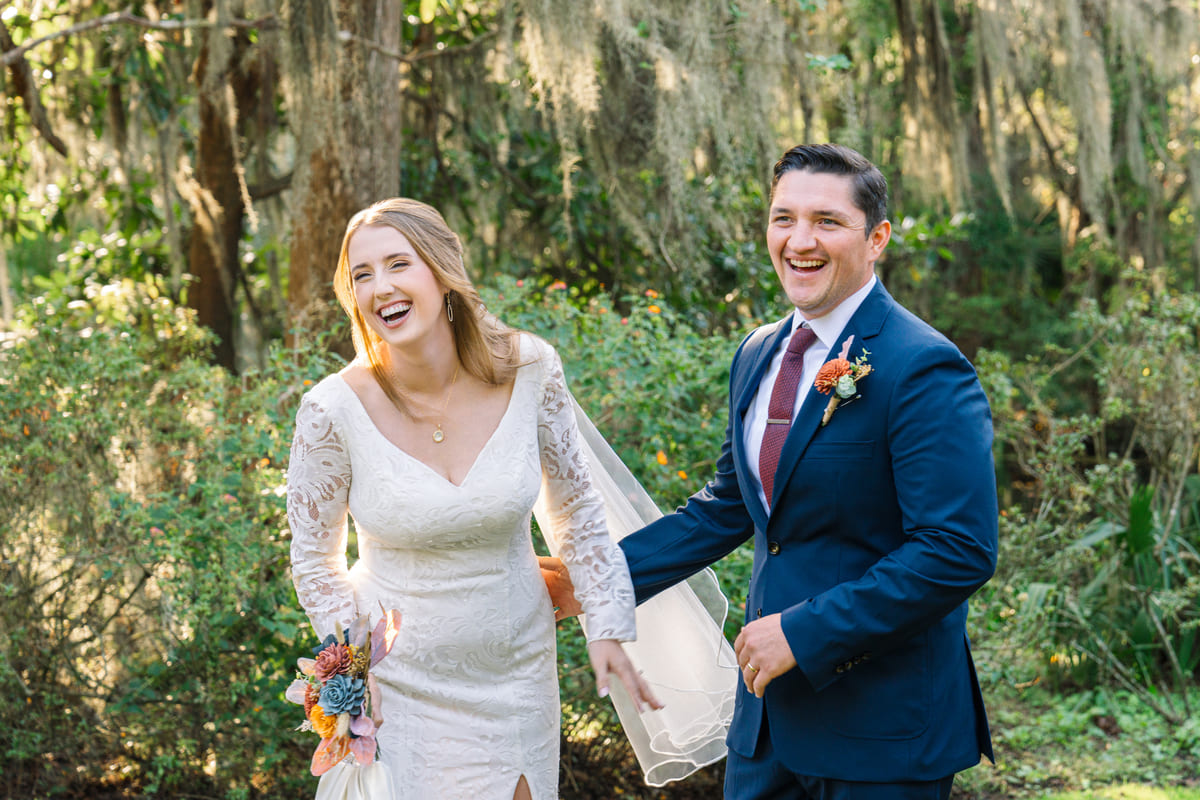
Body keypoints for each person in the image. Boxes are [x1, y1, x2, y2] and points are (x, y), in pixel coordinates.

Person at [554, 143, 998, 799]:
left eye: (827, 221)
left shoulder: (921, 365)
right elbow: (728, 507)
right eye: (783, 218)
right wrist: (594, 581)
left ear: (876, 239)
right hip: (764, 732)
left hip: (883, 736)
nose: (800, 241)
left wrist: (803, 631)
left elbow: (956, 550)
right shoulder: (759, 352)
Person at [286, 197, 661, 800]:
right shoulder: (331, 411)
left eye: (398, 264)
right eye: (362, 274)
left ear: (441, 271)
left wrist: (607, 627)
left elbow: (578, 514)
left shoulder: (531, 369)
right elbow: (314, 560)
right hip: (397, 686)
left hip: (516, 677)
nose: (381, 288)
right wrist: (353, 669)